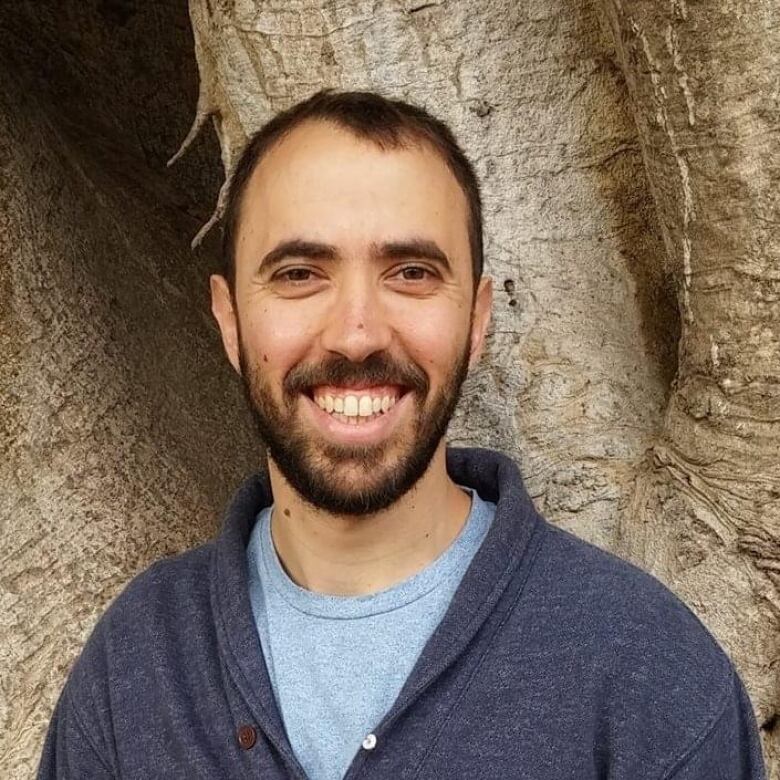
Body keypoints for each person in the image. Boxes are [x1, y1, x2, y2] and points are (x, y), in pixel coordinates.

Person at [38, 90, 767, 780]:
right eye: (299, 273)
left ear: (477, 319)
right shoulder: (135, 663)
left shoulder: (648, 671)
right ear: (230, 321)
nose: (357, 333)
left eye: (411, 272)